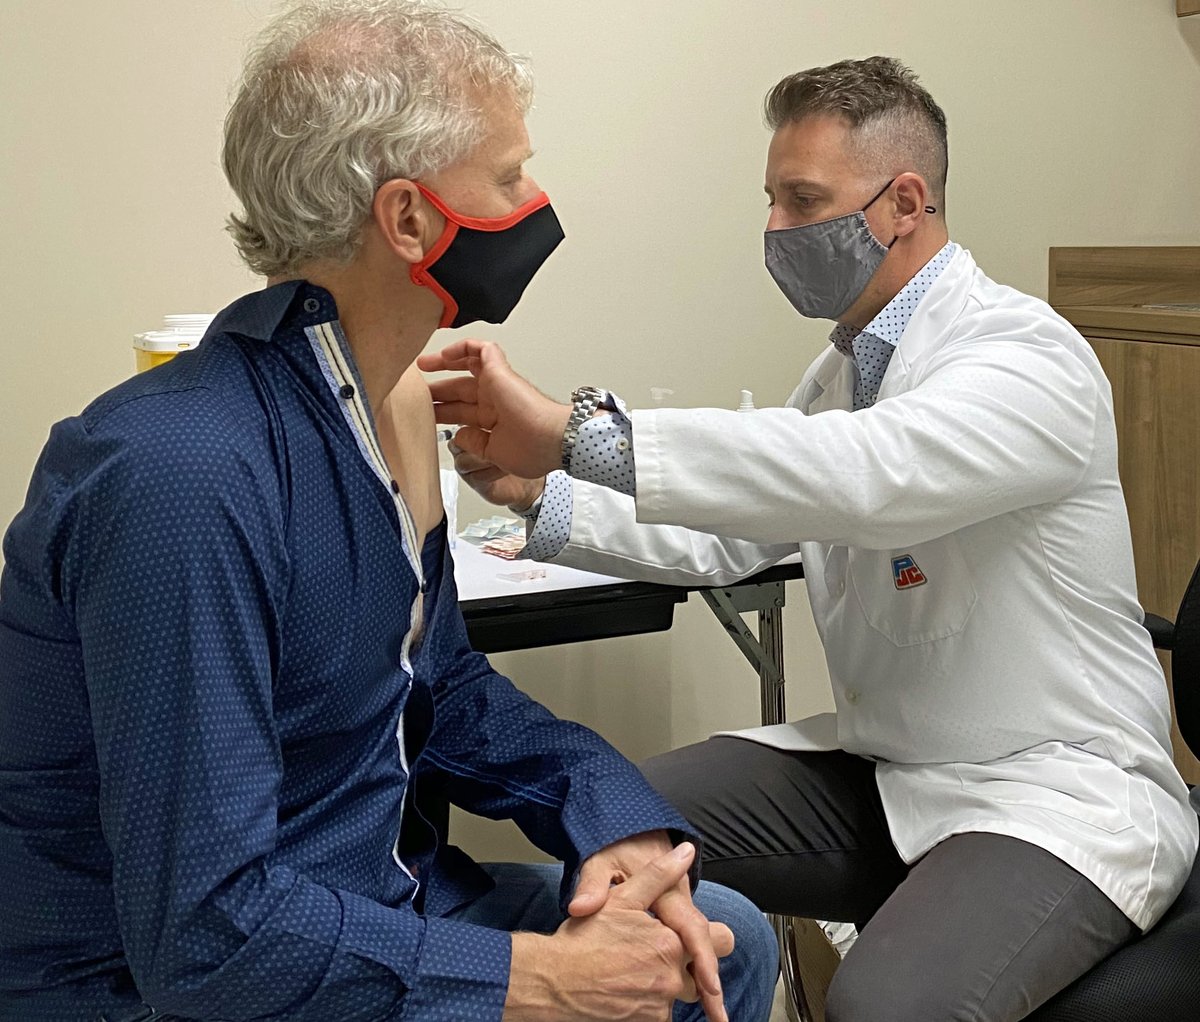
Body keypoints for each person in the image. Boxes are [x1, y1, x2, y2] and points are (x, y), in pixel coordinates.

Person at [0, 3, 781, 1021]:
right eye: (510, 176)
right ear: (409, 220)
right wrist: (543, 980)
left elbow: (439, 685)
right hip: (166, 985)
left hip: (372, 889)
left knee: (721, 938)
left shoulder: (394, 407)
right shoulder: (180, 474)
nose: (536, 202)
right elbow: (204, 932)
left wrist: (607, 815)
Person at [419, 56, 1200, 1022]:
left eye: (804, 201)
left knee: (884, 1008)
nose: (776, 229)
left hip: (1051, 791)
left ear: (903, 203)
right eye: (772, 199)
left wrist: (584, 436)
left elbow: (868, 476)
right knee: (623, 822)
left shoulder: (1027, 357)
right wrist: (542, 496)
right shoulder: (844, 372)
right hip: (890, 769)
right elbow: (733, 536)